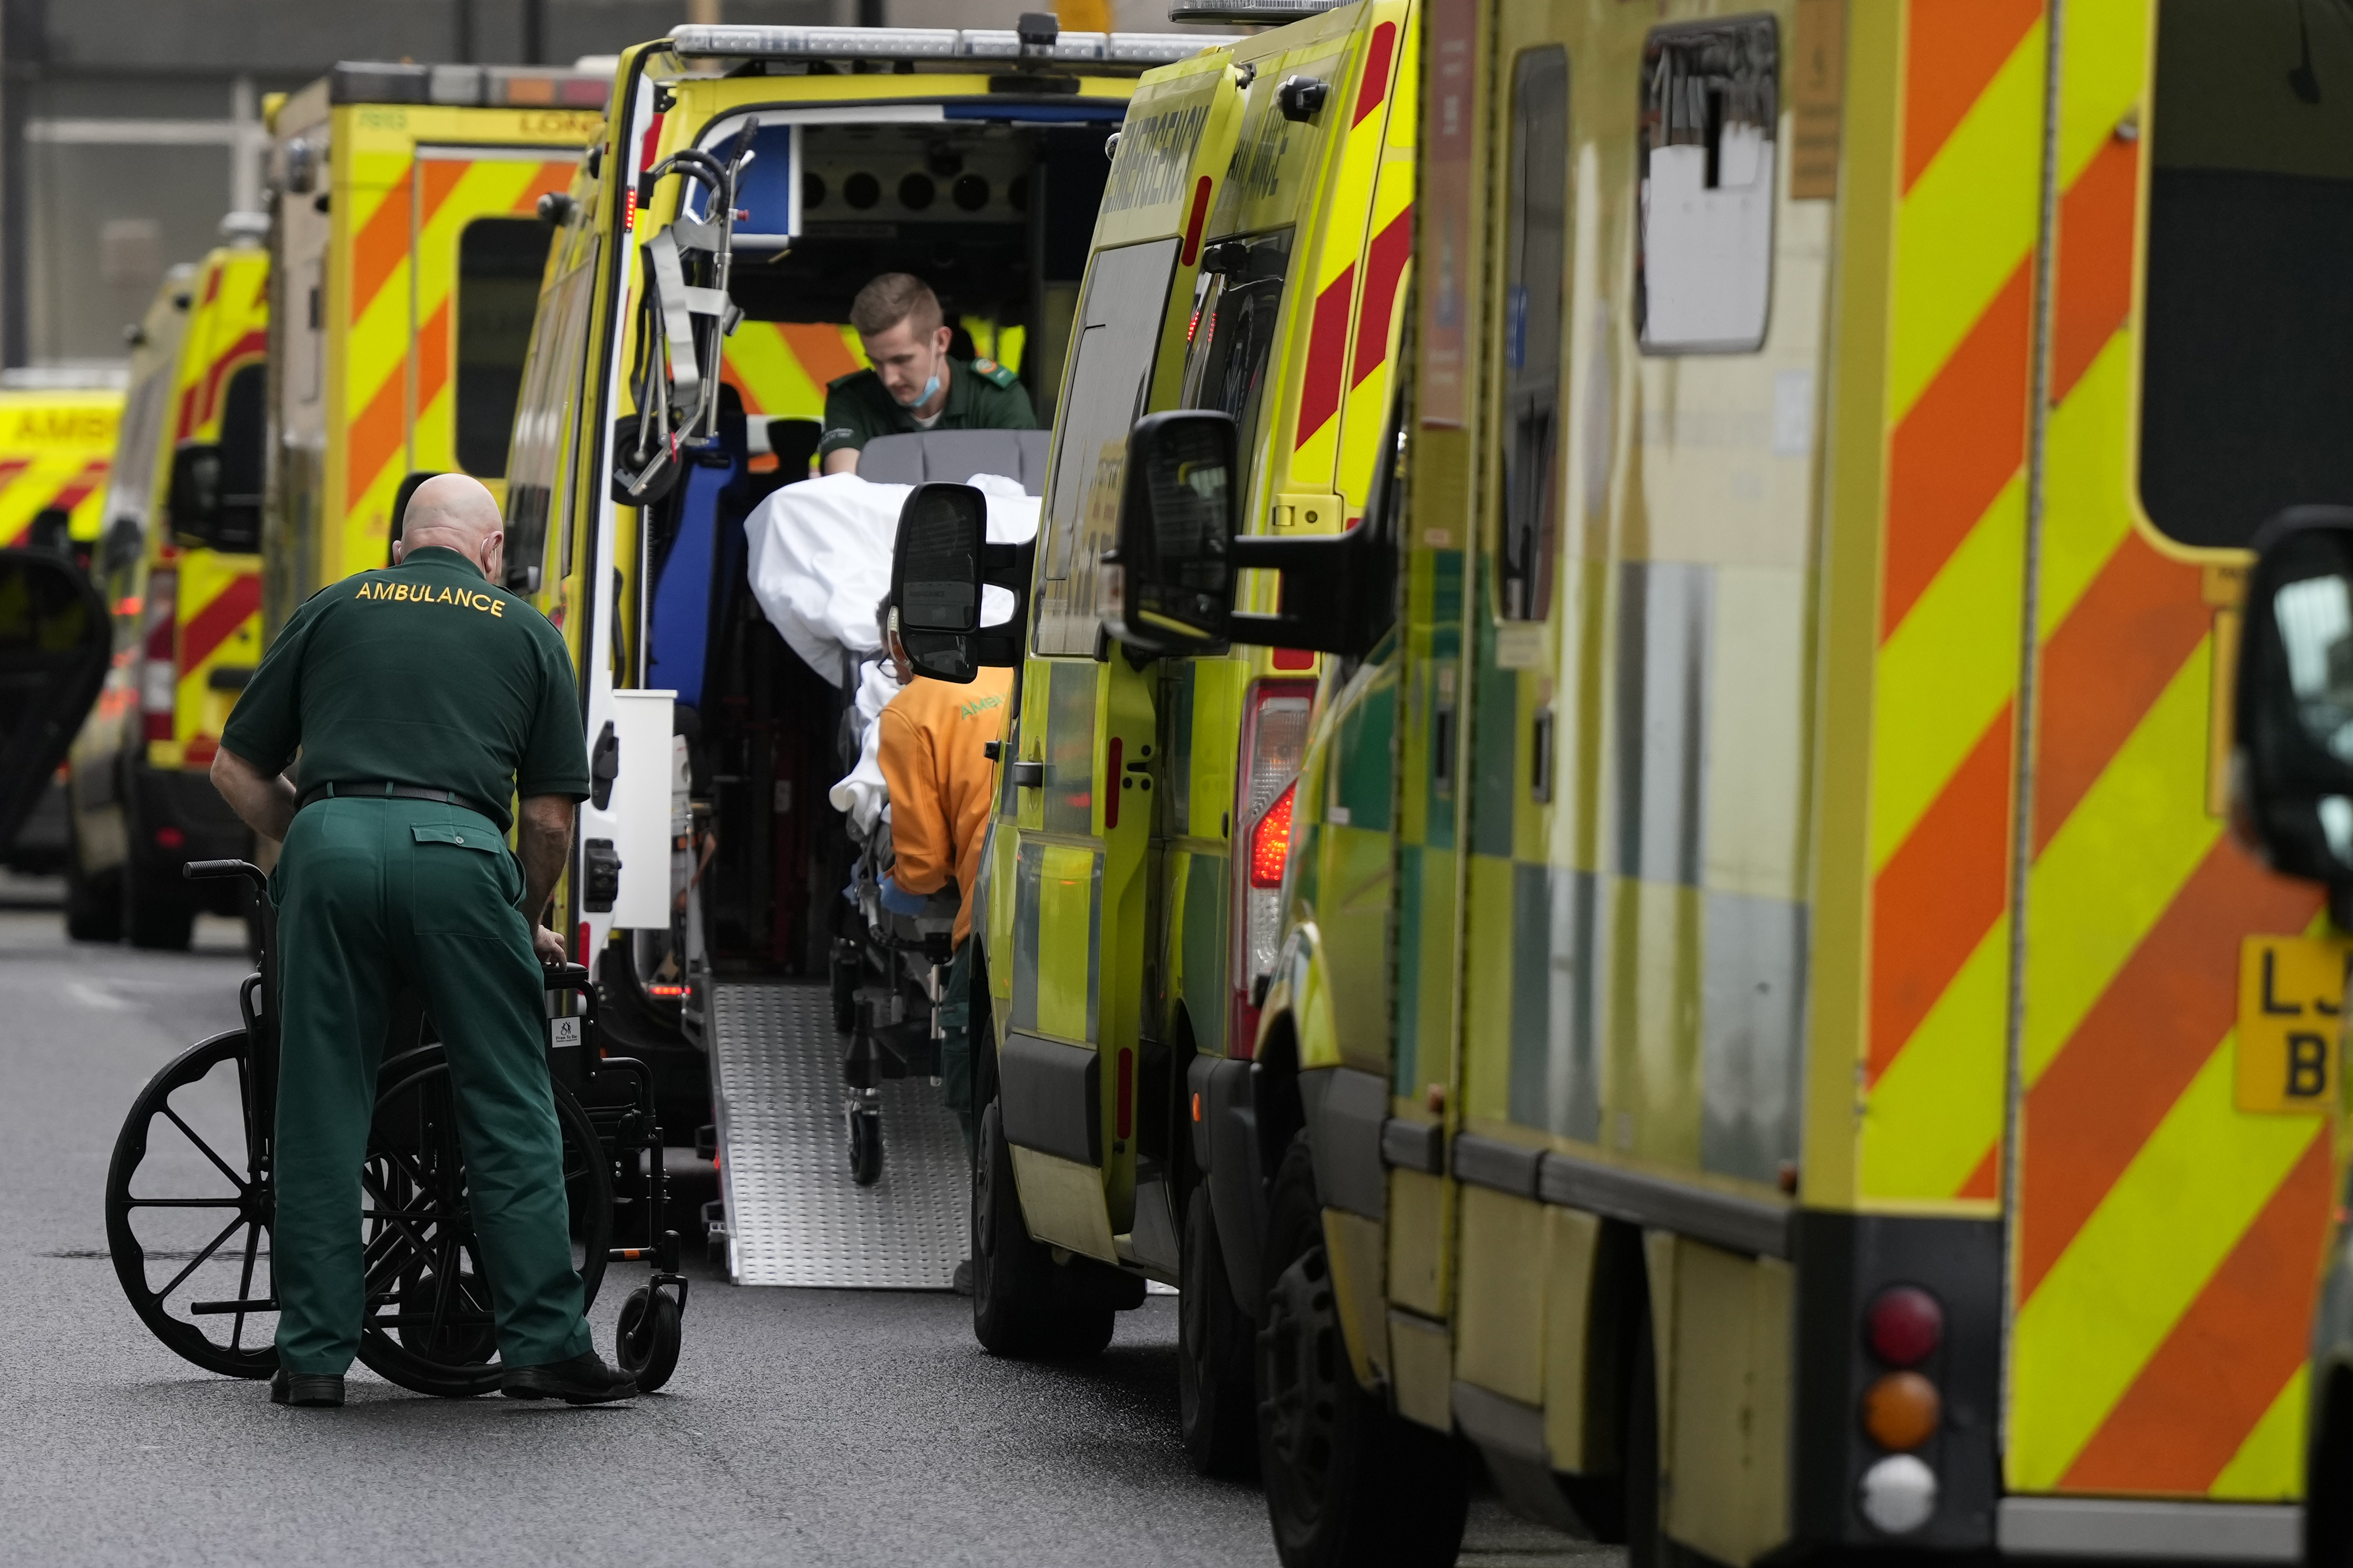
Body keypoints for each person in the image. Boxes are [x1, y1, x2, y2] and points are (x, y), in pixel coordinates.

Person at [209, 474, 637, 1409]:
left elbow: (234, 767)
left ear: (401, 548)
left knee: (321, 1107)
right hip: (459, 855)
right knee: (507, 1097)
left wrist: (325, 835)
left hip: (325, 845)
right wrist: (520, 923)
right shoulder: (527, 631)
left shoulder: (334, 607)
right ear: (491, 556)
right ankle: (540, 1344)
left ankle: (314, 1358)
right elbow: (554, 825)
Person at [872, 597, 1011, 1196]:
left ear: (900, 645)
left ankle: (993, 1248)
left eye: (890, 662)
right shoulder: (1016, 675)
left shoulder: (910, 712)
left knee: (970, 1077)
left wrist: (893, 886)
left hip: (991, 910)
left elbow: (925, 866)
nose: (895, 673)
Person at [819, 273, 1037, 475]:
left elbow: (1015, 498)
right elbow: (843, 491)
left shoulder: (997, 398)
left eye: (901, 360)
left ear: (941, 342)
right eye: (876, 362)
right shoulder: (851, 399)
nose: (889, 378)